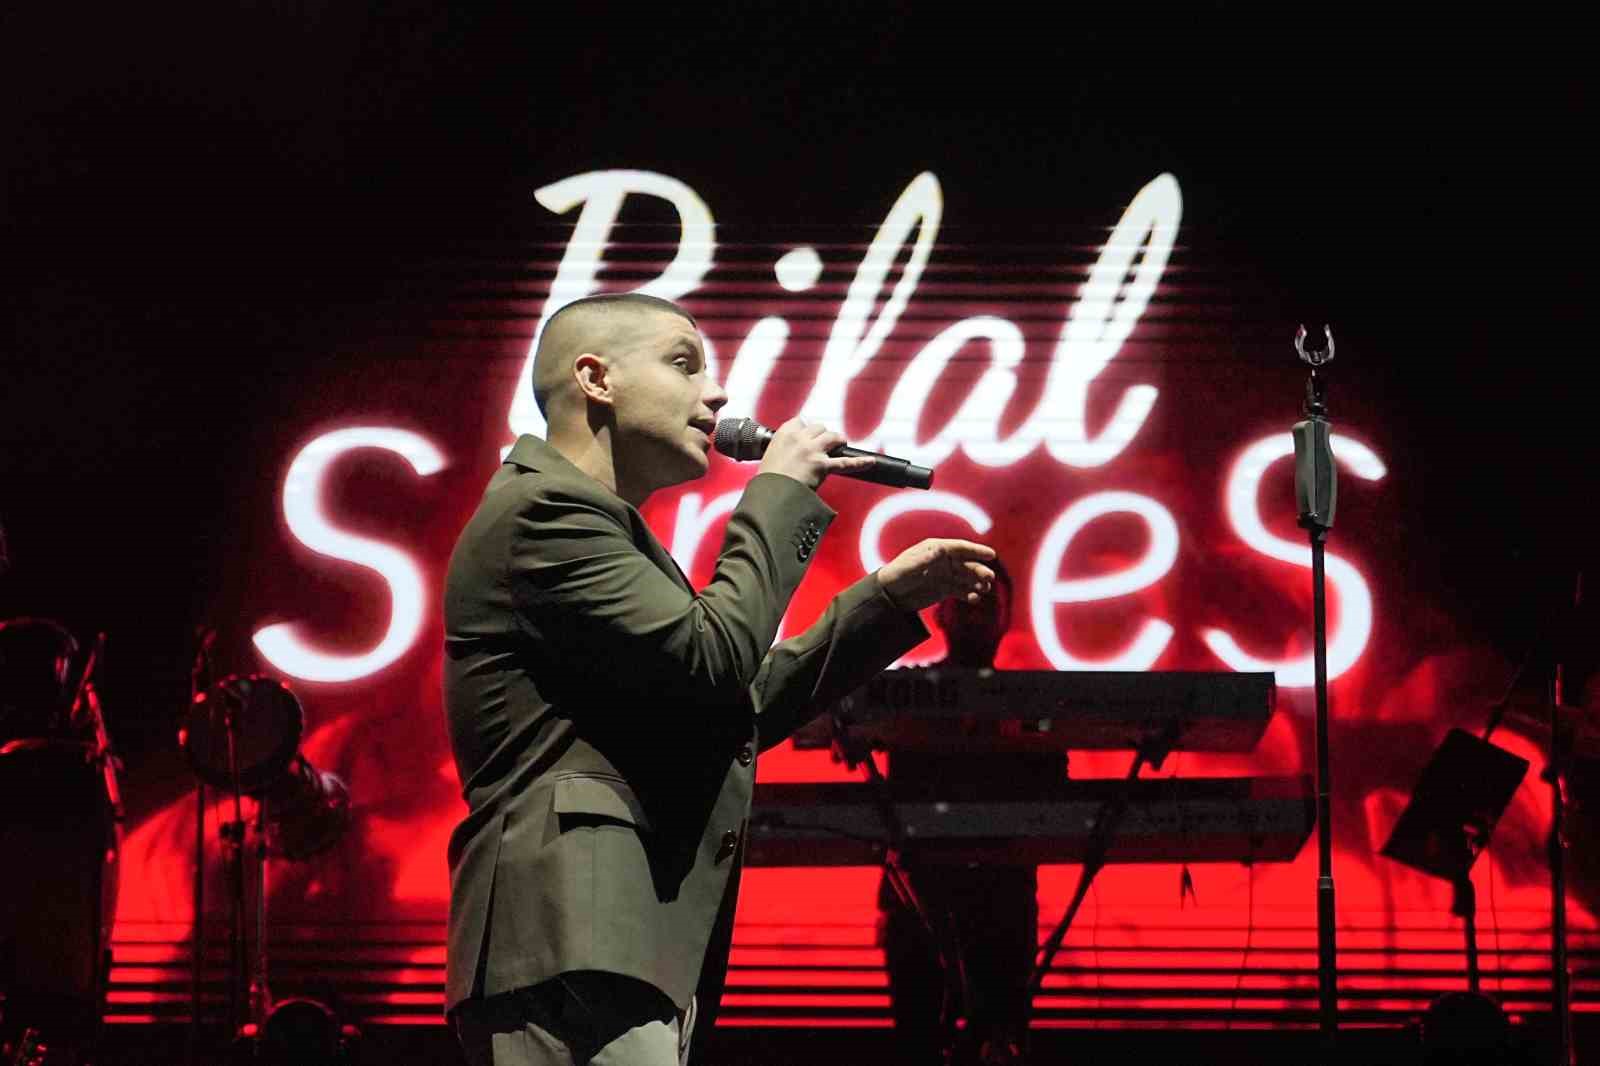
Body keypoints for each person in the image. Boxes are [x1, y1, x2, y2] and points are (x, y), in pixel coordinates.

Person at [441, 292, 996, 1066]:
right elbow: (716, 657)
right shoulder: (544, 513)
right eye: (684, 364)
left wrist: (884, 603)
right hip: (574, 939)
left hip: (621, 946)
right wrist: (781, 490)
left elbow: (729, 703)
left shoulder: (590, 525)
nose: (719, 393)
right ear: (596, 378)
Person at [877, 558, 1061, 1066]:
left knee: (993, 1037)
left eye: (987, 605)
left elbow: (1054, 782)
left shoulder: (1023, 702)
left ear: (1005, 618)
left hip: (982, 892)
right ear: (941, 614)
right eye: (967, 603)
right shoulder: (911, 690)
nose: (977, 616)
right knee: (926, 1040)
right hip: (929, 890)